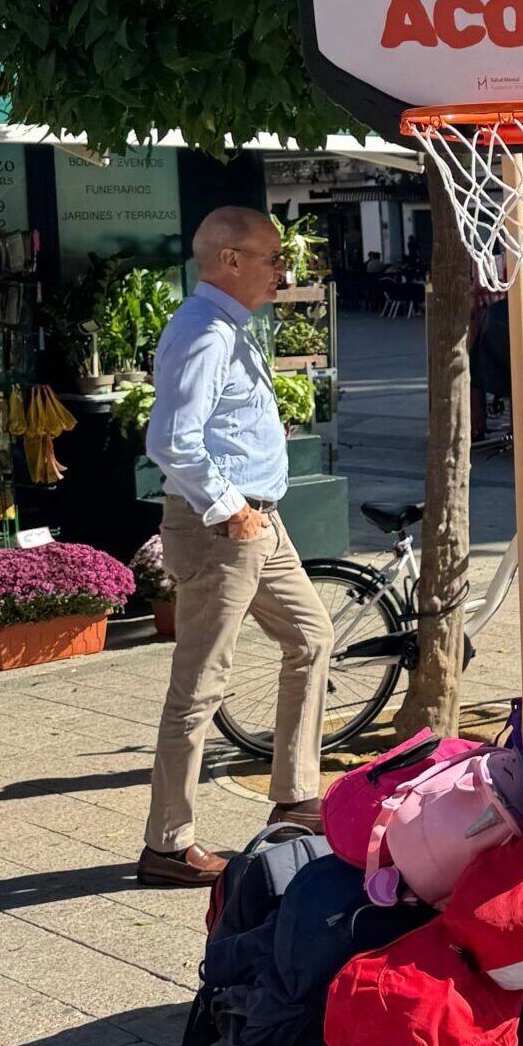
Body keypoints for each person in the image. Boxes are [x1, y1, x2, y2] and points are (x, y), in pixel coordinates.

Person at [139, 208, 333, 887]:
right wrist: (229, 509)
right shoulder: (203, 333)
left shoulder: (228, 327)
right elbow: (170, 440)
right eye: (272, 258)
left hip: (257, 522)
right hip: (222, 527)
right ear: (229, 261)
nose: (284, 270)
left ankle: (296, 795)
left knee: (312, 637)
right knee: (198, 684)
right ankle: (167, 843)